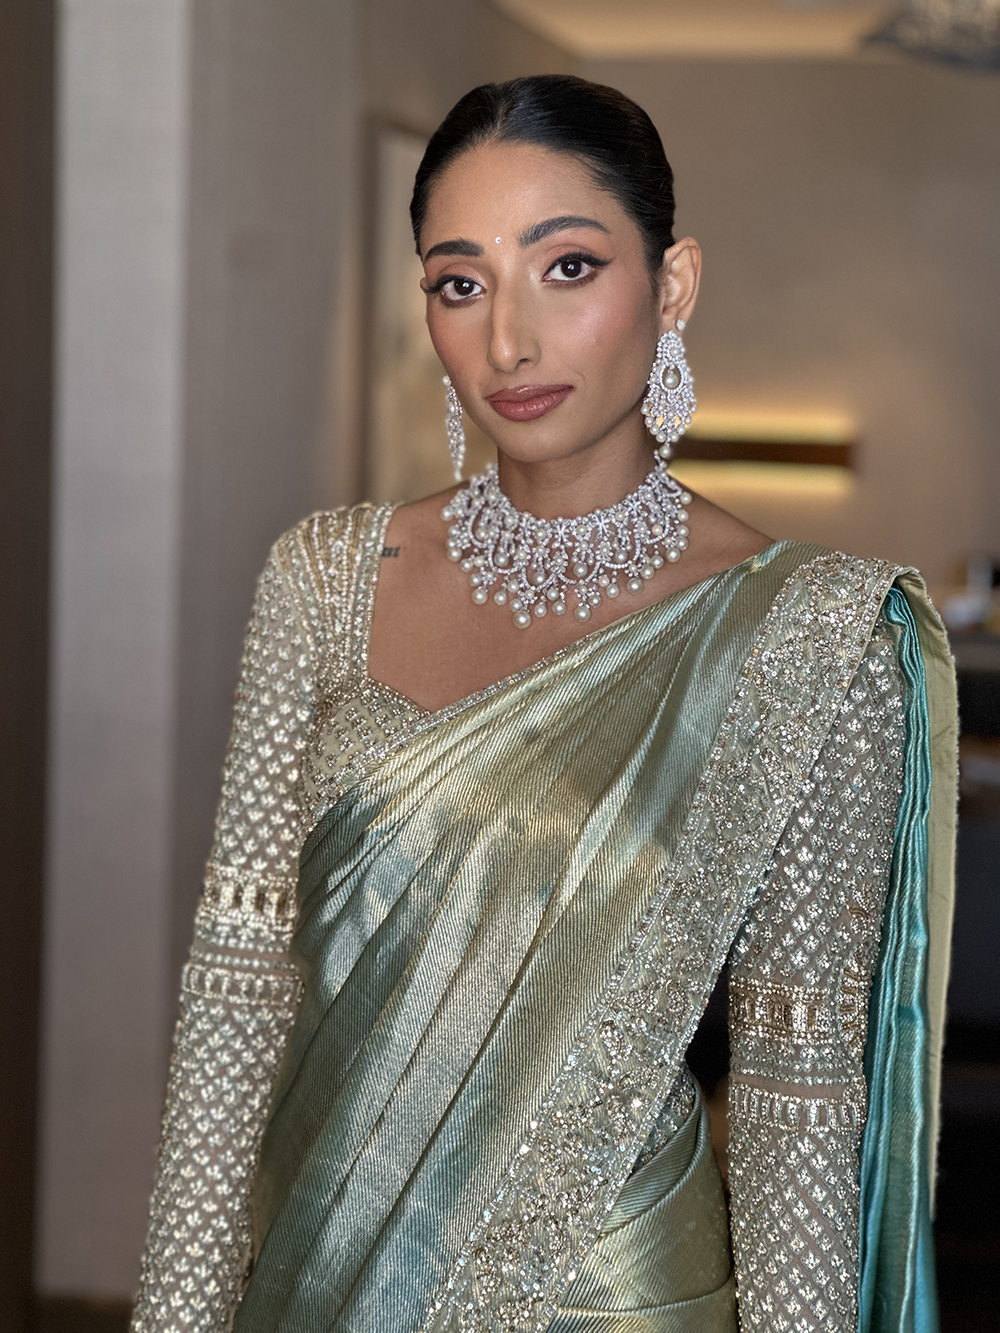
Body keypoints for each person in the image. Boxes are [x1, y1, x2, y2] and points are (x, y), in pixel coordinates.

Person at [130, 76, 956, 1333]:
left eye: (566, 267)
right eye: (459, 283)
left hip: (614, 1291)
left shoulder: (806, 634)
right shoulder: (325, 580)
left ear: (671, 285)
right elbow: (236, 992)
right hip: (317, 1273)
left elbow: (796, 1083)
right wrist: (176, 1312)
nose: (507, 341)